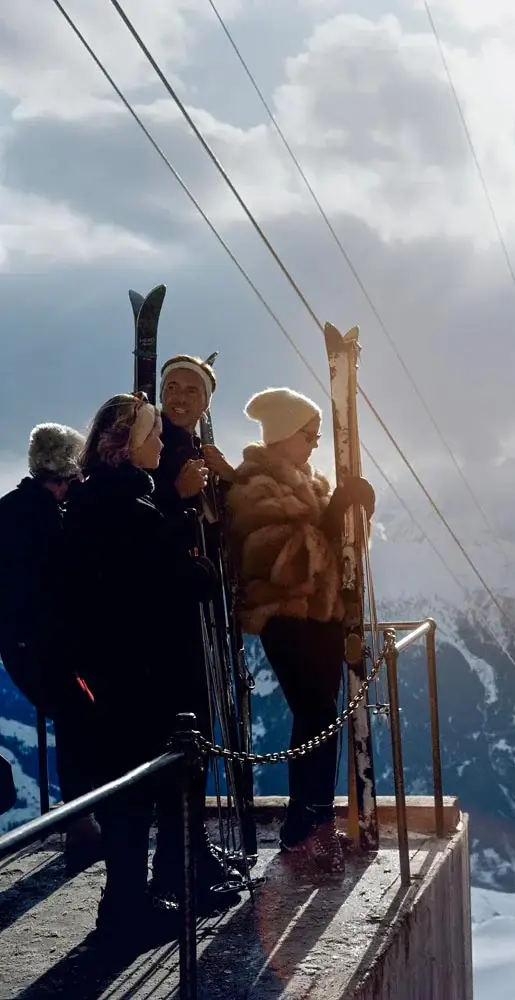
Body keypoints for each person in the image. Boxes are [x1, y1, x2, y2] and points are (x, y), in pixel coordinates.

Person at [59, 393, 221, 942]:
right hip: (141, 673)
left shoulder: (93, 501)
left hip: (111, 671)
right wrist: (196, 568)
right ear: (127, 446)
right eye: (151, 436)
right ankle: (126, 909)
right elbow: (171, 584)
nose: (159, 444)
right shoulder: (128, 507)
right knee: (137, 792)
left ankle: (128, 901)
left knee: (128, 791)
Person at [225, 387, 374, 873]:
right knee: (315, 713)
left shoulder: (309, 482)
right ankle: (306, 827)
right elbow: (283, 564)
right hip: (286, 618)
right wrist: (334, 520)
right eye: (307, 435)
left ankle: (310, 821)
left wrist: (356, 519)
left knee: (321, 719)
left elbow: (336, 554)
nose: (314, 444)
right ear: (283, 435)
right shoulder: (254, 487)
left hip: (323, 617)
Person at [147, 354, 242, 906]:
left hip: (196, 620)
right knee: (186, 738)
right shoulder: (157, 453)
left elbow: (220, 531)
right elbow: (151, 530)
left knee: (196, 740)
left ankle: (191, 853)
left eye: (191, 390)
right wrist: (181, 496)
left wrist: (224, 483)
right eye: (172, 387)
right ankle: (178, 866)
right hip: (174, 625)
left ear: (206, 402)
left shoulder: (189, 450)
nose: (179, 397)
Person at [0, 422, 102, 870]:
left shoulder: (10, 509)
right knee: (81, 718)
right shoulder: (52, 520)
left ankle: (81, 821)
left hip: (19, 642)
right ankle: (84, 823)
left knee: (73, 718)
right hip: (48, 643)